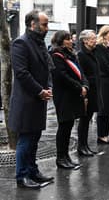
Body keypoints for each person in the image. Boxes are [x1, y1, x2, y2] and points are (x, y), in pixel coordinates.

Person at [9, 10, 54, 189]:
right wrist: (39, 91)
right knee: (26, 140)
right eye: (44, 24)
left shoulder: (39, 43)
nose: (47, 28)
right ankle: (22, 176)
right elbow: (21, 73)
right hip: (26, 101)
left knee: (34, 138)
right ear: (32, 24)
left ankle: (32, 171)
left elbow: (47, 69)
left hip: (37, 100)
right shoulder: (21, 43)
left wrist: (48, 87)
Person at [50, 30, 88, 169]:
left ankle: (66, 157)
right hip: (63, 95)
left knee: (69, 125)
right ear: (60, 41)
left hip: (73, 95)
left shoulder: (71, 55)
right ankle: (61, 158)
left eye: (70, 39)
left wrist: (84, 85)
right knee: (64, 126)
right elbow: (62, 76)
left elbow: (80, 72)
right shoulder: (56, 55)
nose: (71, 41)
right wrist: (79, 87)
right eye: (67, 39)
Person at [77, 29, 100, 156]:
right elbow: (82, 74)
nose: (95, 41)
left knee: (88, 118)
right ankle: (81, 146)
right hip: (87, 90)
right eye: (92, 39)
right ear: (85, 41)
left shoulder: (93, 53)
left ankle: (85, 145)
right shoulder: (81, 55)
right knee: (84, 120)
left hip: (93, 89)